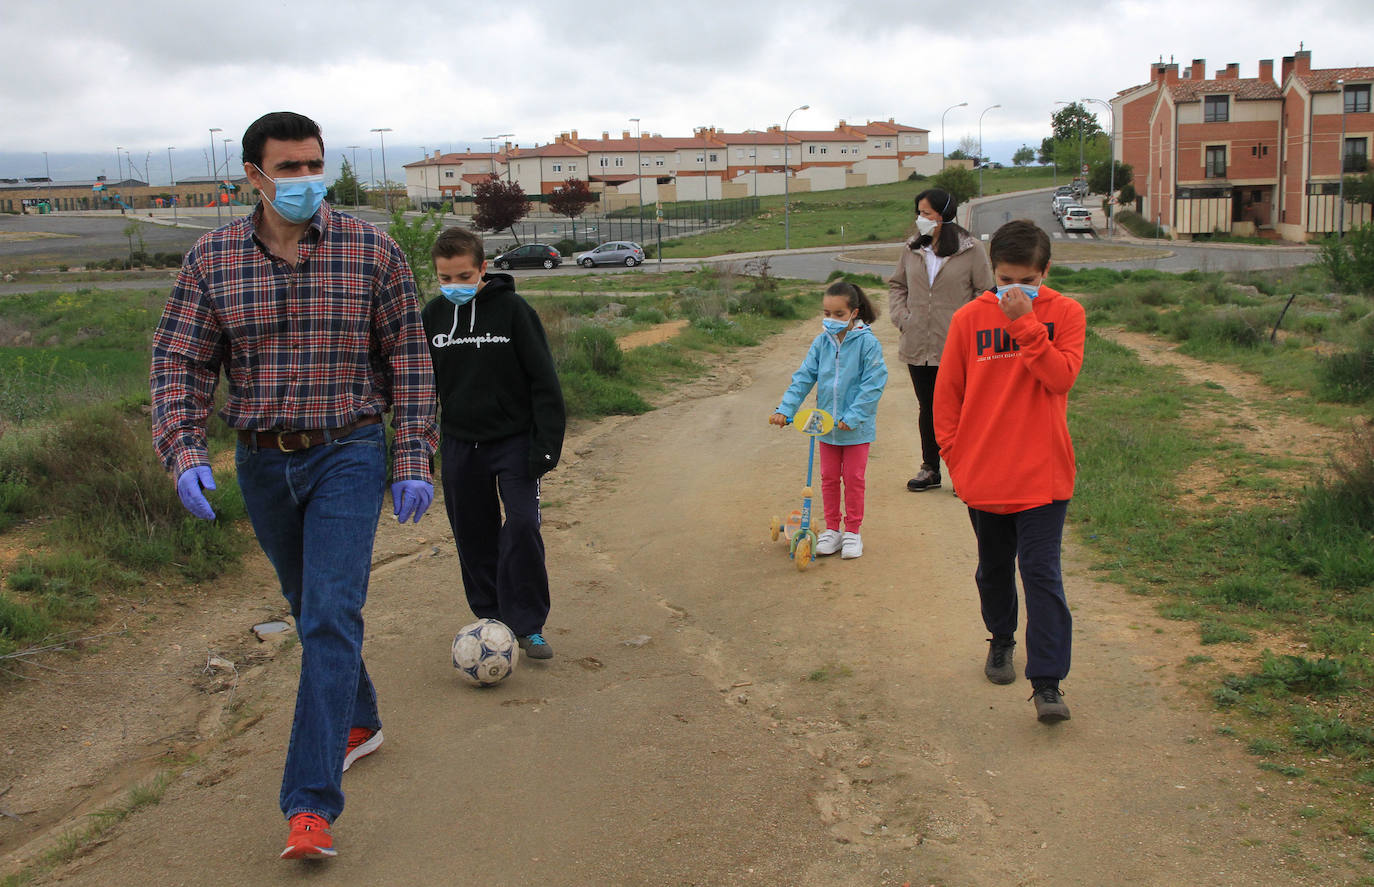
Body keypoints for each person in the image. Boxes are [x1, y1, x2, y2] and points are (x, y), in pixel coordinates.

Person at [149, 111, 438, 860]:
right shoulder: (212, 260)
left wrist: (410, 454)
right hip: (262, 459)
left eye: (315, 165)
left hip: (347, 449)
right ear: (253, 175)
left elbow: (408, 355)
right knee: (309, 607)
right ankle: (361, 718)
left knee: (332, 611)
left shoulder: (372, 249)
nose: (306, 181)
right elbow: (180, 361)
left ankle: (310, 804)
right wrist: (184, 450)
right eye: (289, 168)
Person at [933, 219, 1085, 723]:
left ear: (1044, 273)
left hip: (1044, 475)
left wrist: (1024, 322)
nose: (1012, 289)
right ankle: (1000, 640)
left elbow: (1059, 378)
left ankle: (1047, 683)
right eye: (1003, 280)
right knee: (993, 569)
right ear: (992, 272)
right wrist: (955, 455)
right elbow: (948, 396)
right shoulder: (968, 320)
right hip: (985, 474)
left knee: (1041, 574)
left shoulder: (1065, 313)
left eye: (1025, 280)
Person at [421, 227, 566, 659]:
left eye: (464, 276)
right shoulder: (431, 317)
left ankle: (528, 624)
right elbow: (419, 387)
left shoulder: (514, 312)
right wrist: (416, 448)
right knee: (473, 535)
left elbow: (544, 382)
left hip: (515, 443)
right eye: (445, 279)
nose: (455, 287)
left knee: (522, 525)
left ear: (483, 268)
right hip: (461, 445)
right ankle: (492, 620)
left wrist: (545, 446)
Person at [771, 281, 888, 559]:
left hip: (855, 428)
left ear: (853, 313)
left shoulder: (867, 343)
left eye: (838, 314)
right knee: (827, 478)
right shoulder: (821, 342)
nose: (831, 320)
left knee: (854, 478)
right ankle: (832, 530)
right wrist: (785, 410)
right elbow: (803, 377)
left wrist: (854, 415)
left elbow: (873, 383)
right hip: (824, 426)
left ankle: (852, 532)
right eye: (827, 313)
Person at [887, 187, 993, 493]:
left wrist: (968, 327)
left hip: (957, 345)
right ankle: (930, 469)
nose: (920, 219)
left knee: (960, 409)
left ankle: (965, 471)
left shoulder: (970, 250)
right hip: (918, 341)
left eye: (926, 213)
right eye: (919, 213)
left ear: (943, 216)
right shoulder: (912, 248)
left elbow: (985, 291)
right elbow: (897, 285)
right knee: (928, 408)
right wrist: (902, 317)